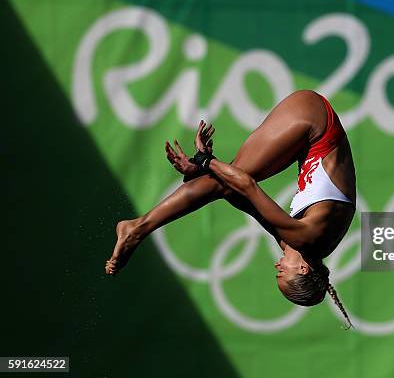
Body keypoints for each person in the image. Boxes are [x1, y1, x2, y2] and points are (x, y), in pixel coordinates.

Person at [105, 90, 356, 327]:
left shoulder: (302, 244)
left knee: (223, 184)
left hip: (313, 135)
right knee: (230, 178)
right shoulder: (303, 237)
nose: (277, 267)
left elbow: (240, 197)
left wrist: (205, 168)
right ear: (303, 269)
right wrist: (206, 162)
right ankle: (137, 228)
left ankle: (138, 226)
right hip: (314, 120)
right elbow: (247, 186)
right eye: (282, 274)